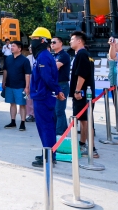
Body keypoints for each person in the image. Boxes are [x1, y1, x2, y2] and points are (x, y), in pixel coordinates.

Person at [29, 27, 65, 167]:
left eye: (35, 39)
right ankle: (48, 153)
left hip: (43, 96)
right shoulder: (43, 55)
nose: (32, 42)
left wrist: (57, 90)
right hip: (43, 95)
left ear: (43, 40)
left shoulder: (43, 56)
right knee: (46, 126)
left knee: (46, 127)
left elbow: (47, 77)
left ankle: (49, 157)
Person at [69, 30, 98, 159]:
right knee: (83, 120)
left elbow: (82, 74)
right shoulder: (84, 54)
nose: (70, 42)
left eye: (72, 39)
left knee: (86, 121)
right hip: (85, 93)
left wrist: (77, 90)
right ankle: (82, 143)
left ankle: (92, 149)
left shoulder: (82, 54)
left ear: (79, 41)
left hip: (82, 94)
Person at [2, 40, 31, 131]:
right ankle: (13, 121)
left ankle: (22, 123)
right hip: (9, 85)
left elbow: (27, 74)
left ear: (19, 49)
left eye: (14, 46)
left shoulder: (25, 60)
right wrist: (4, 81)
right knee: (12, 104)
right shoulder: (8, 58)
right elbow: (5, 70)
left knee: (22, 104)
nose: (11, 47)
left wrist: (27, 87)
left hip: (20, 86)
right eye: (11, 46)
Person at [52, 37, 71, 135]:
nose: (52, 44)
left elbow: (55, 67)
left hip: (62, 84)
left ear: (61, 43)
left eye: (54, 42)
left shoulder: (64, 55)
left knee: (59, 110)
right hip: (55, 85)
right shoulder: (54, 56)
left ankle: (59, 133)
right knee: (56, 110)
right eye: (51, 42)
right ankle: (63, 130)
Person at [25, 46, 36, 122]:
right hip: (30, 77)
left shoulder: (40, 57)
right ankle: (31, 114)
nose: (30, 49)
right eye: (29, 48)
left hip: (39, 78)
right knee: (29, 98)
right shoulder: (28, 57)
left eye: (32, 47)